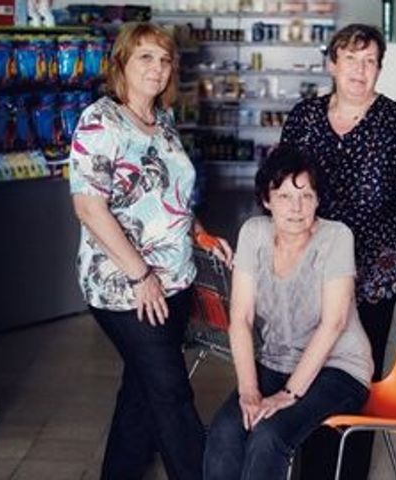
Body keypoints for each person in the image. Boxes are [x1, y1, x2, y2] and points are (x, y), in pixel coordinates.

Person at [280, 23, 396, 479]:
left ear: (379, 68)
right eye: (351, 59)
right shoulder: (304, 117)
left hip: (374, 279)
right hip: (312, 275)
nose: (360, 70)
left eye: (370, 62)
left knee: (356, 385)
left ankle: (349, 472)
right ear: (332, 64)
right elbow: (281, 189)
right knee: (307, 379)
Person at [69, 22, 231, 480]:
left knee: (141, 396)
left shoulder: (163, 120)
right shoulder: (101, 120)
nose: (157, 68)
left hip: (174, 282)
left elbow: (170, 195)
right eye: (146, 57)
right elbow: (88, 207)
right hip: (127, 289)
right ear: (121, 63)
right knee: (172, 396)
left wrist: (200, 233)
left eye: (164, 60)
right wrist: (141, 275)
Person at [203, 146, 373, 480]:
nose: (296, 208)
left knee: (269, 435)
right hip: (276, 361)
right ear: (266, 200)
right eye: (284, 196)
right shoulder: (254, 233)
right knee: (225, 432)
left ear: (318, 200)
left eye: (306, 196)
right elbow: (241, 318)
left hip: (339, 368)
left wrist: (289, 394)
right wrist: (249, 391)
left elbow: (334, 323)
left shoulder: (336, 237)